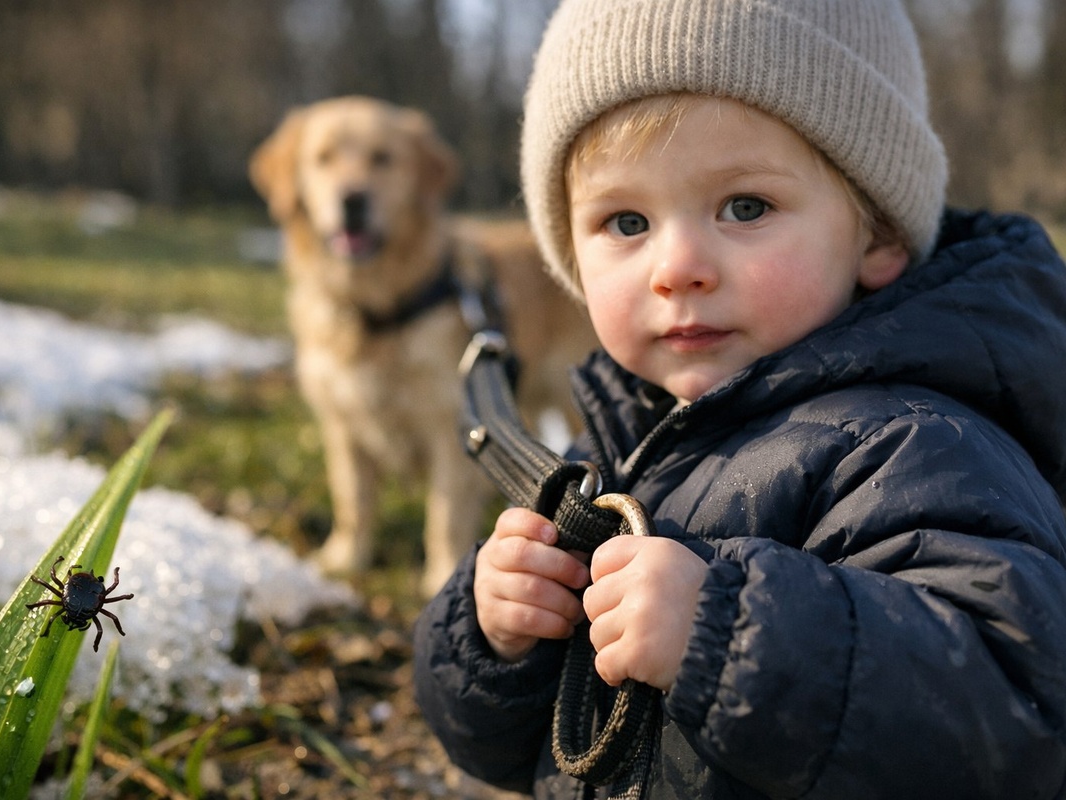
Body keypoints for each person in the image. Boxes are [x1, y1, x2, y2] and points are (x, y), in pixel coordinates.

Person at [412, 0, 1066, 797]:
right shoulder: (615, 450)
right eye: (625, 220)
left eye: (745, 207)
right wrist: (497, 641)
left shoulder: (918, 444)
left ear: (878, 234)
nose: (677, 266)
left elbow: (1013, 716)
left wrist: (727, 634)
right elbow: (511, 756)